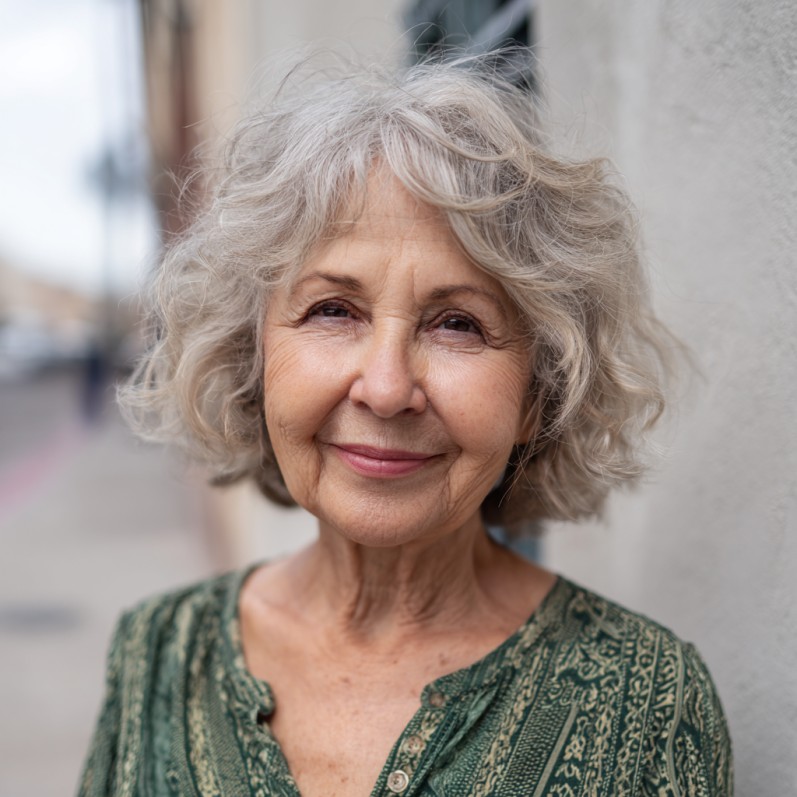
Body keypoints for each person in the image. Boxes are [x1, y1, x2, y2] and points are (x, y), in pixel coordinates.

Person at [79, 54, 732, 796]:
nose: (387, 388)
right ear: (253, 358)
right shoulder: (157, 655)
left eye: (457, 324)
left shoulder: (644, 703)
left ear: (536, 394)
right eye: (332, 310)